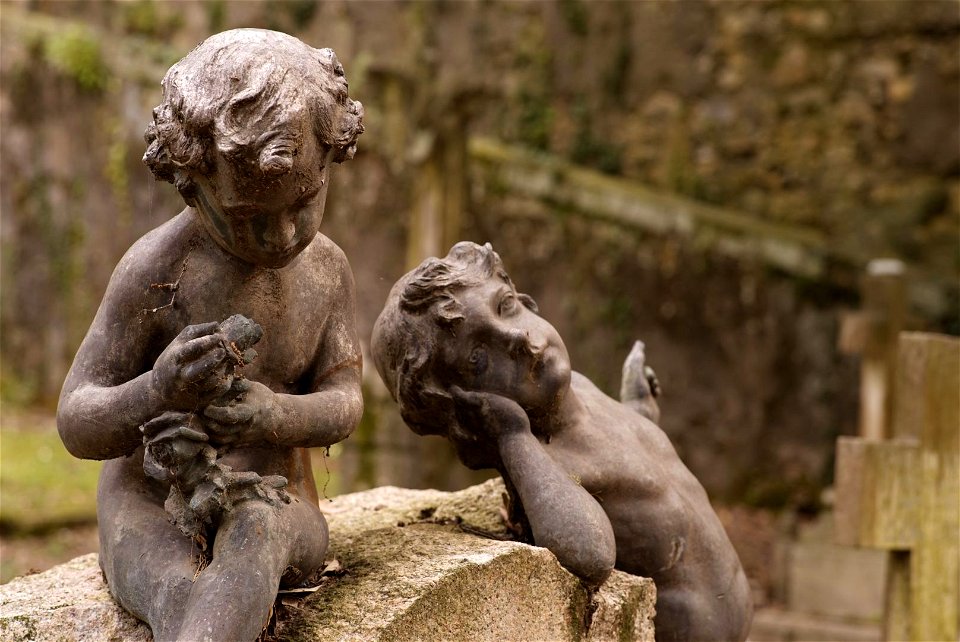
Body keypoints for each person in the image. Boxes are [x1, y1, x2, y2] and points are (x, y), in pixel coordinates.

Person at [57, 29, 364, 642]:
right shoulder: (156, 271)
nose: (281, 237)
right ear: (192, 187)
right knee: (170, 584)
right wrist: (159, 389)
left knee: (258, 533)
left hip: (276, 498)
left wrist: (274, 416)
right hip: (150, 502)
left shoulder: (327, 272)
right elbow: (76, 417)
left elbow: (346, 400)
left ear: (330, 162)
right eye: (248, 218)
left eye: (303, 203)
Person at [371, 241, 752, 642]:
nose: (517, 339)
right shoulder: (543, 463)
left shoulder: (583, 389)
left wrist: (638, 410)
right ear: (464, 408)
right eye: (479, 359)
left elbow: (635, 476)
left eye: (505, 306)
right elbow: (590, 554)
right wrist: (512, 436)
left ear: (526, 301)